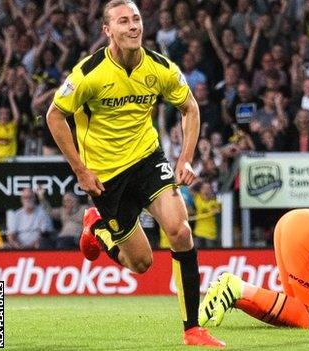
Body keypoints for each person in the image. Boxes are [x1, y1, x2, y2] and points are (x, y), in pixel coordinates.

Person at [45, 1, 223, 347]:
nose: (133, 26)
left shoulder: (160, 68)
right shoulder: (89, 73)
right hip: (106, 176)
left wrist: (185, 159)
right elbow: (54, 115)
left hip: (147, 160)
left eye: (137, 19)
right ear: (107, 30)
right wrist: (80, 170)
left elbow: (190, 107)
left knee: (179, 230)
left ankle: (193, 329)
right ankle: (95, 226)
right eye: (123, 21)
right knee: (139, 263)